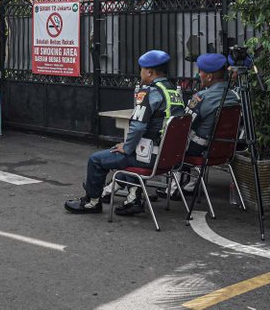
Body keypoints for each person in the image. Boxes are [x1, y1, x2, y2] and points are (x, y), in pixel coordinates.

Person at [65, 50, 185, 215]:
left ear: (149, 72)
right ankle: (133, 199)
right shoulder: (174, 92)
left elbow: (138, 127)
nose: (140, 73)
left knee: (97, 160)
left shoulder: (149, 92)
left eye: (141, 69)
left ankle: (92, 202)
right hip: (170, 157)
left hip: (149, 157)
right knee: (126, 154)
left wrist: (127, 147)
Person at [184, 53, 240, 162]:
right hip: (224, 149)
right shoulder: (234, 96)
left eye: (200, 71)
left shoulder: (202, 97)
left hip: (199, 148)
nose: (198, 74)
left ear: (209, 77)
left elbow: (185, 124)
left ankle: (179, 177)